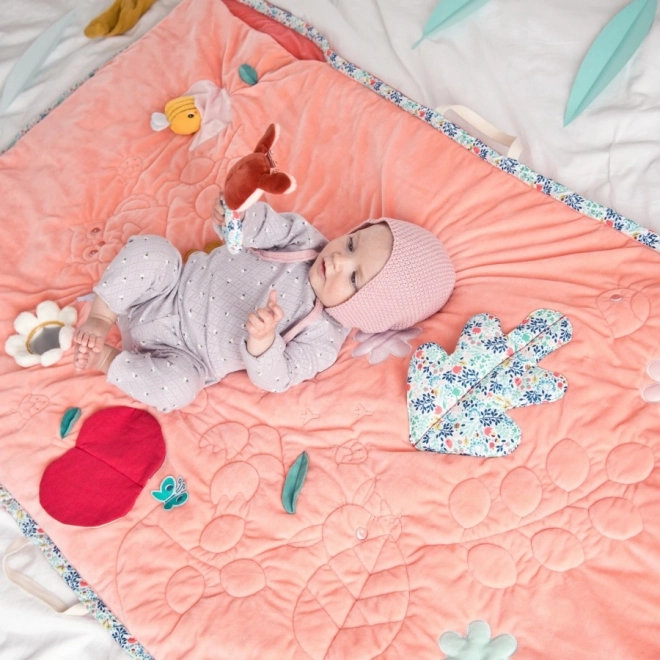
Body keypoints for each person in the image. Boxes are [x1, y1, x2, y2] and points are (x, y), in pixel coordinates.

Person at [73, 165, 455, 414]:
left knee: (180, 390)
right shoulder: (305, 240)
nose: (340, 260)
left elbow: (276, 378)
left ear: (364, 311)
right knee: (154, 251)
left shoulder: (323, 339)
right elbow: (263, 227)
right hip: (168, 287)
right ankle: (102, 315)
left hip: (185, 355)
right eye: (352, 244)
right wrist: (236, 215)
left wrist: (263, 342)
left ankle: (108, 360)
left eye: (354, 278)